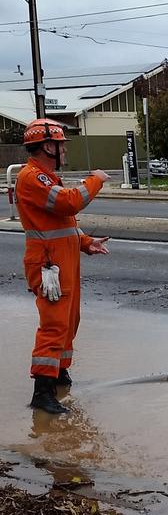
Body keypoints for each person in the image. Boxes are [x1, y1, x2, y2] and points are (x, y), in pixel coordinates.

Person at [15, 118, 110, 414]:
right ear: (47, 146)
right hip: (48, 264)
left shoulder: (46, 177)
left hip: (60, 261)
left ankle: (58, 375)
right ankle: (42, 392)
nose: (64, 151)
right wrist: (94, 180)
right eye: (60, 145)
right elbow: (69, 203)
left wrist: (85, 242)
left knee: (69, 321)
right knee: (55, 324)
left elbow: (62, 223)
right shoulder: (32, 177)